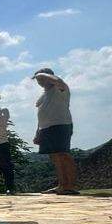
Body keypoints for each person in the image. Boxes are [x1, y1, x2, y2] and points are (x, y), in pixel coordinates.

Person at [32, 67, 78, 195]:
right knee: (54, 157)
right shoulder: (43, 95)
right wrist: (38, 132)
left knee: (63, 155)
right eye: (38, 79)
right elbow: (41, 113)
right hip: (46, 128)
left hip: (60, 125)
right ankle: (61, 185)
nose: (40, 81)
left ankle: (70, 186)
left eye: (42, 78)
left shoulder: (60, 88)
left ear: (49, 76)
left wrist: (42, 74)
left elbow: (59, 81)